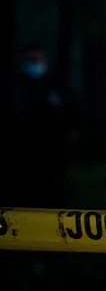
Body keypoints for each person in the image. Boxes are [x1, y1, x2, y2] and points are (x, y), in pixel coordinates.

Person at [9, 45, 68, 208]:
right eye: (30, 59)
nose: (34, 64)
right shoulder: (18, 87)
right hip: (22, 150)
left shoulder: (54, 85)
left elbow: (67, 114)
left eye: (37, 59)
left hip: (51, 151)